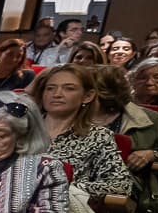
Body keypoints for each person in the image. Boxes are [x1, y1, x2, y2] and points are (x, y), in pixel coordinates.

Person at [34, 64, 135, 199]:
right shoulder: (19, 130)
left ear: (87, 96)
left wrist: (65, 187)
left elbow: (121, 185)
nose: (57, 94)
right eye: (50, 88)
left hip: (62, 210)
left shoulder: (98, 136)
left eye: (69, 88)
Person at [92, 67, 158, 184]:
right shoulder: (68, 117)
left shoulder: (150, 118)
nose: (62, 94)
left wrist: (152, 154)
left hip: (127, 185)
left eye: (70, 89)